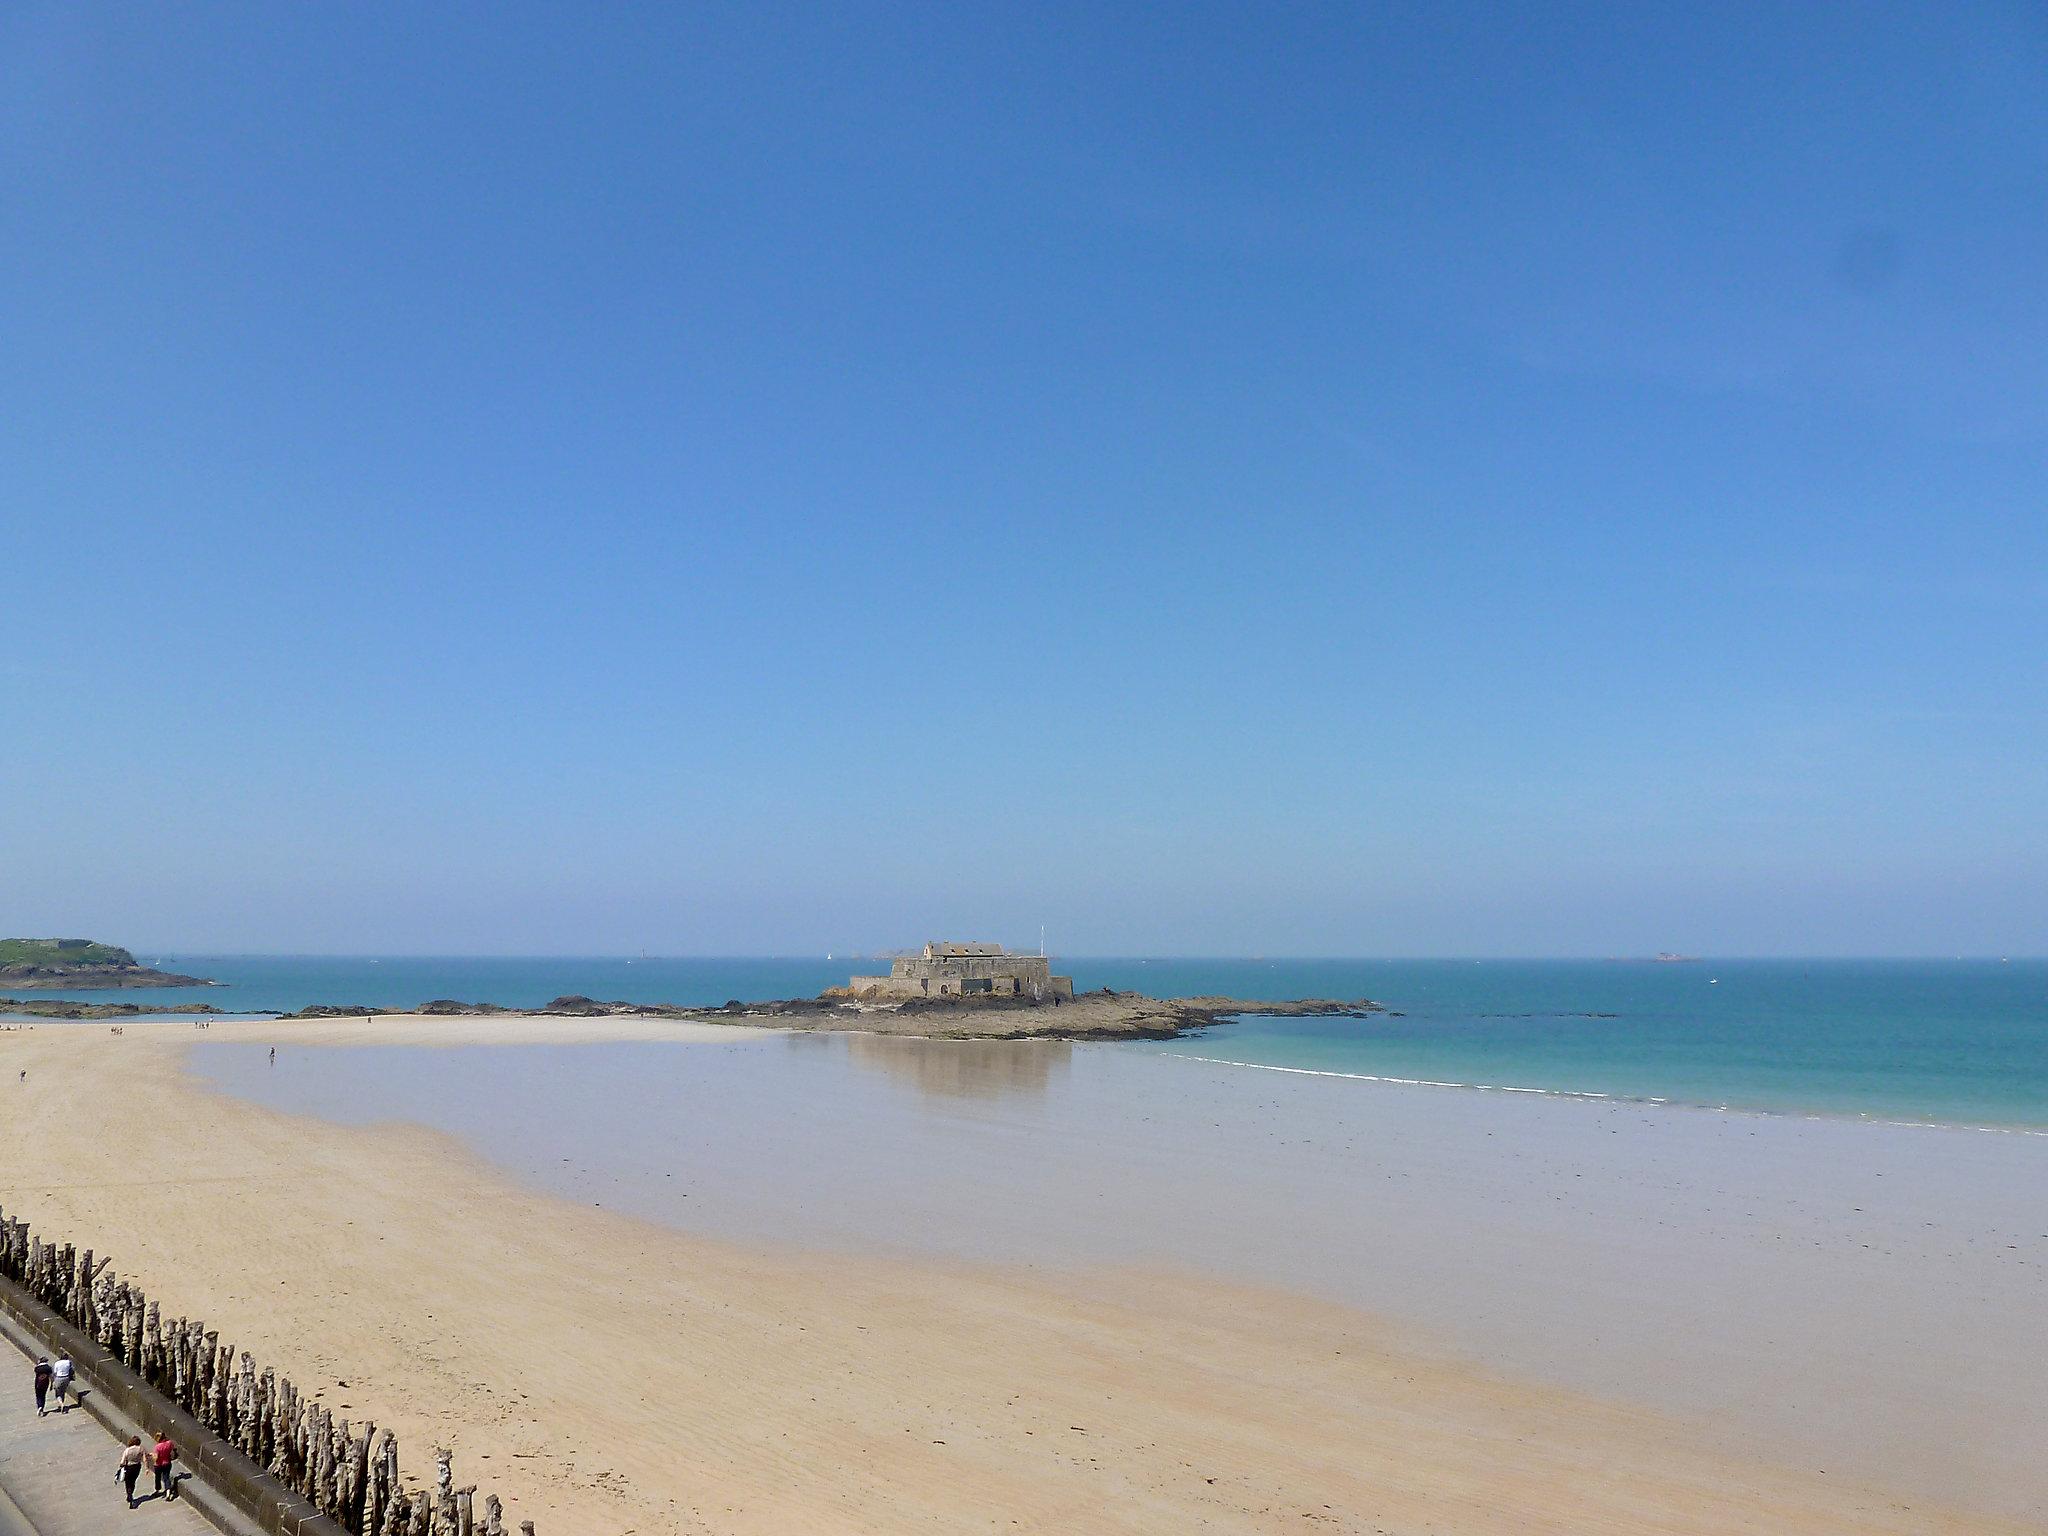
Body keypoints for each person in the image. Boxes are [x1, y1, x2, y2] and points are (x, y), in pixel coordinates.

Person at [117, 1436, 146, 1507]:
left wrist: (121, 1466)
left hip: (129, 1467)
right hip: (137, 1467)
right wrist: (147, 1468)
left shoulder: (127, 1450)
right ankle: (131, 1493)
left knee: (128, 1482)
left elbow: (122, 1462)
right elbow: (144, 1459)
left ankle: (129, 1495)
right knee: (133, 1481)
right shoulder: (141, 1449)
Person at [151, 1431, 179, 1499]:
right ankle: (168, 1491)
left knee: (157, 1478)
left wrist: (152, 1456)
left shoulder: (157, 1447)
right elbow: (173, 1449)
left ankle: (157, 1490)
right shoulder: (169, 1443)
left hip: (158, 1465)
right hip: (167, 1462)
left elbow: (156, 1458)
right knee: (166, 1477)